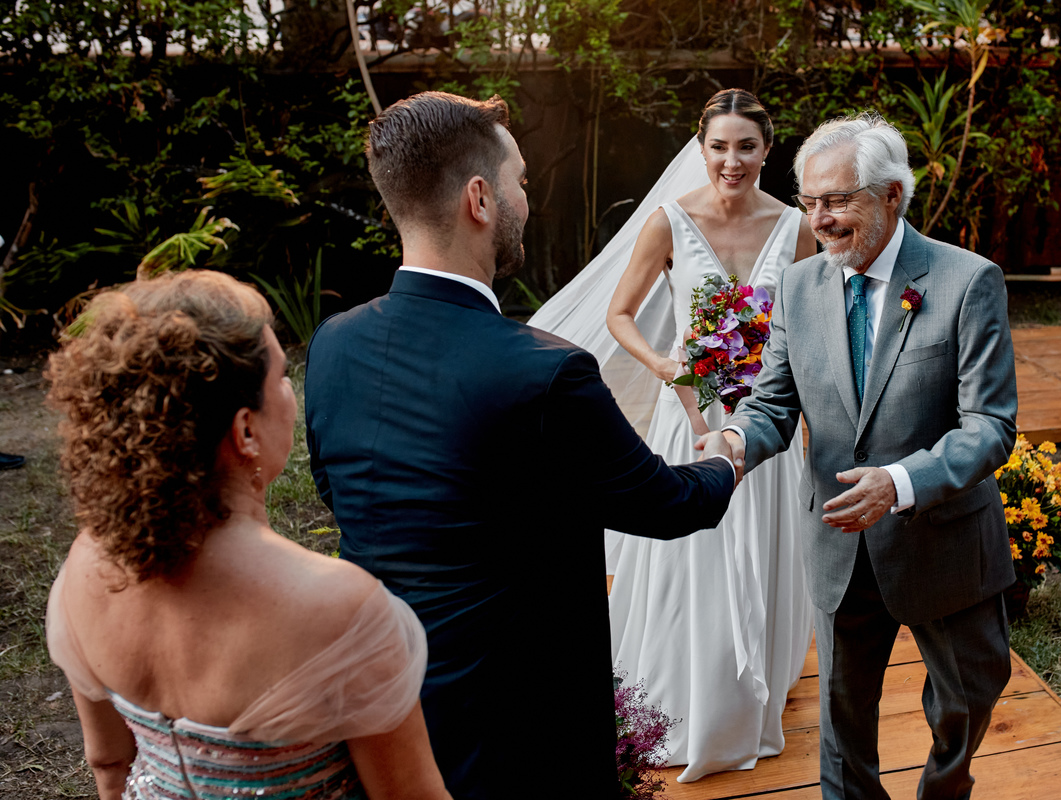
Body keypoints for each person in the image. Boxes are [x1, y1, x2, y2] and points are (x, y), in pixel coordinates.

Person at [304, 91, 738, 800]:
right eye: (522, 183)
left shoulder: (333, 344)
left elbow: (338, 490)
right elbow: (666, 504)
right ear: (481, 198)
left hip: (380, 708)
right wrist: (726, 451)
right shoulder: (546, 372)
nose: (526, 200)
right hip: (521, 730)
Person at [703, 111, 1018, 799]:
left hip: (945, 541)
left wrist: (901, 482)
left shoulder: (968, 281)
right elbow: (773, 404)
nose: (821, 217)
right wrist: (733, 443)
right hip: (841, 544)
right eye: (811, 201)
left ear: (892, 196)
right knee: (843, 735)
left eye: (838, 199)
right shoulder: (797, 286)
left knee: (967, 701)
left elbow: (991, 425)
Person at [44, 271, 449, 800]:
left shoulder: (86, 566)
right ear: (245, 430)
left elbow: (108, 764)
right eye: (282, 375)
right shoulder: (340, 608)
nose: (292, 390)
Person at [530, 88, 818, 782]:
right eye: (718, 146)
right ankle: (694, 694)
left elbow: (807, 326)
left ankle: (758, 685)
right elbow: (621, 313)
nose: (731, 160)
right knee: (699, 552)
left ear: (767, 151)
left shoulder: (794, 228)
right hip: (690, 418)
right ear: (701, 147)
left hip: (767, 426)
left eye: (746, 146)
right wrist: (667, 365)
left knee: (760, 549)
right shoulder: (668, 221)